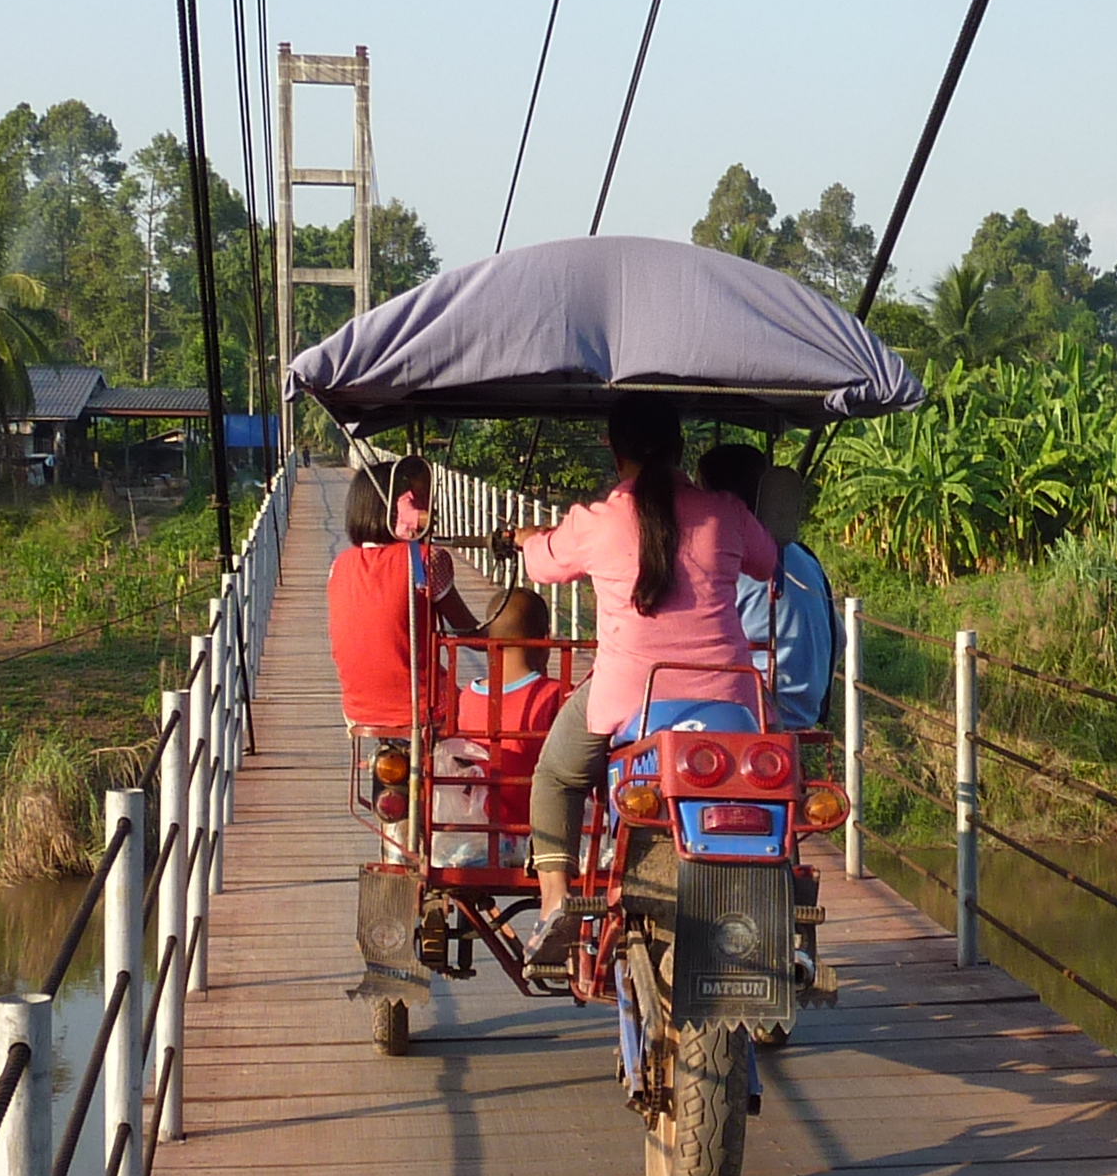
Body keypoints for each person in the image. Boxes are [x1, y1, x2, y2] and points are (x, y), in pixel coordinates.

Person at [506, 404, 779, 977]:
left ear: (613, 448)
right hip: (731, 702)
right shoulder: (724, 512)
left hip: (629, 701)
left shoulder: (597, 520)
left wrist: (531, 538)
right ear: (681, 447)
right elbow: (767, 559)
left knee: (556, 775)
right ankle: (784, 911)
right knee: (779, 789)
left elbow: (540, 565)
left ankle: (557, 900)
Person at [326, 455, 467, 854]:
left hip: (360, 711)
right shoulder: (426, 560)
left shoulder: (340, 566)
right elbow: (470, 633)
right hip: (422, 709)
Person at [696, 440, 836, 734]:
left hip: (748, 713)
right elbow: (841, 640)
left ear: (716, 500)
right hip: (804, 712)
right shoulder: (804, 557)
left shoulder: (725, 559)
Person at [436, 588, 566, 868]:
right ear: (545, 640)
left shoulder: (468, 697)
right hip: (543, 834)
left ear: (489, 641)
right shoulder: (555, 694)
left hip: (485, 832)